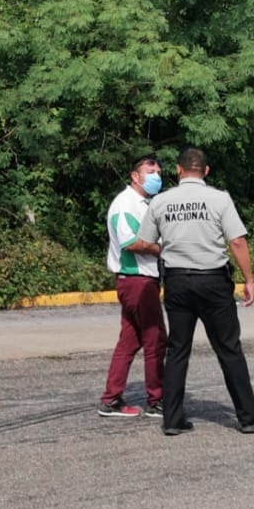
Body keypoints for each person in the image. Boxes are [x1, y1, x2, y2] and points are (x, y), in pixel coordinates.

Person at [136, 147, 254, 436]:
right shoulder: (219, 199)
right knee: (228, 348)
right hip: (213, 282)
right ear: (206, 171)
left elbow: (146, 241)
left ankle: (172, 420)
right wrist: (249, 279)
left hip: (177, 283)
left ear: (178, 170)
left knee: (177, 350)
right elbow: (236, 241)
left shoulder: (160, 201)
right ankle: (249, 417)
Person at [97, 153, 166, 418]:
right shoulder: (126, 204)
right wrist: (161, 249)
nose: (156, 177)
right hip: (137, 280)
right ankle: (157, 400)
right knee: (155, 339)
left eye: (158, 172)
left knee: (129, 341)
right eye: (151, 172)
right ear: (135, 176)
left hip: (137, 281)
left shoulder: (145, 203)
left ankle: (111, 399)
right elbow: (130, 243)